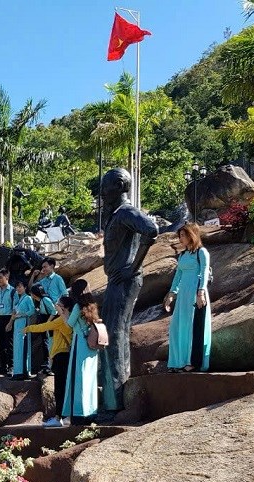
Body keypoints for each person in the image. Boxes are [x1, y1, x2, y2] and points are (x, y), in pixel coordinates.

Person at [99, 168, 159, 413]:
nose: (102, 192)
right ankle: (114, 398)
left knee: (115, 334)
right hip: (115, 280)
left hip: (124, 280)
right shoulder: (115, 214)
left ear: (120, 185)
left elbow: (151, 230)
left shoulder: (126, 212)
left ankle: (115, 402)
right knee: (112, 334)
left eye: (105, 186)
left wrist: (133, 267)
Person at [164, 223, 212, 372]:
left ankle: (192, 362)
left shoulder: (201, 252)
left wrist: (201, 293)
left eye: (183, 235)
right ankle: (177, 362)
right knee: (177, 327)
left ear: (192, 235)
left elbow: (204, 272)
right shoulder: (182, 255)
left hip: (195, 293)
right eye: (179, 235)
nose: (180, 238)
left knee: (193, 327)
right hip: (183, 295)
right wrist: (172, 294)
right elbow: (178, 275)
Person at [25, 295, 74, 427]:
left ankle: (58, 418)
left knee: (59, 388)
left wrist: (28, 328)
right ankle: (67, 416)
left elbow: (44, 326)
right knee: (66, 387)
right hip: (67, 355)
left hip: (60, 355)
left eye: (58, 304)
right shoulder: (71, 319)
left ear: (63, 307)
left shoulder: (61, 321)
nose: (55, 305)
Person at [64, 283, 101, 424]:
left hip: (80, 344)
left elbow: (69, 324)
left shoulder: (77, 307)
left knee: (78, 378)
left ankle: (78, 413)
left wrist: (62, 312)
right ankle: (91, 412)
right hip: (92, 346)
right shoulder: (93, 306)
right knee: (90, 378)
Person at [7, 280, 36, 380]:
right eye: (17, 287)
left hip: (24, 324)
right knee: (17, 348)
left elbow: (32, 310)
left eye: (20, 287)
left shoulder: (28, 298)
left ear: (25, 288)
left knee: (22, 348)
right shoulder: (19, 299)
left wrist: (22, 315)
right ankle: (18, 371)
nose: (18, 289)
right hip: (17, 325)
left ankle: (23, 372)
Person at [0, 269, 15, 376]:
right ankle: (3, 366)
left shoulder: (13, 291)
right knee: (1, 345)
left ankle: (11, 366)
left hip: (8, 318)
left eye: (1, 277)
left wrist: (10, 322)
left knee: (9, 344)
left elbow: (14, 309)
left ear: (7, 278)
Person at [29, 284, 56, 374]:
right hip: (44, 324)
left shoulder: (45, 300)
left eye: (32, 293)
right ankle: (47, 365)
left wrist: (48, 322)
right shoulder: (39, 301)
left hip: (49, 324)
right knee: (45, 343)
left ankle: (51, 366)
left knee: (49, 344)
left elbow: (54, 311)